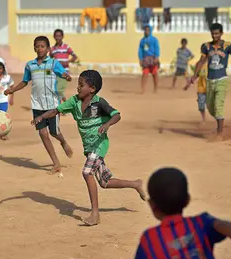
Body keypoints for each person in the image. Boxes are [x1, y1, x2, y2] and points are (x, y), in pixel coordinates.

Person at [31, 70, 147, 226]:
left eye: (81, 85)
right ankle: (136, 184)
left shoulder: (99, 103)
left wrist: (106, 125)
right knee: (105, 182)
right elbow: (56, 111)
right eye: (78, 84)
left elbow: (116, 115)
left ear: (92, 89)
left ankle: (95, 214)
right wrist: (41, 117)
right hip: (89, 148)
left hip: (99, 145)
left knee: (87, 172)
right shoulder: (73, 102)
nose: (77, 87)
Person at [4, 36, 73, 174]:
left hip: (52, 104)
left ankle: (63, 142)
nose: (39, 48)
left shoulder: (53, 63)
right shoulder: (30, 65)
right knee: (42, 133)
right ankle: (56, 163)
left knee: (54, 132)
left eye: (42, 46)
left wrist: (66, 76)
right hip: (37, 104)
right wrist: (12, 90)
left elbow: (63, 73)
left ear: (48, 49)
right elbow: (25, 81)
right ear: (34, 48)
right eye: (37, 46)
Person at [189, 23, 231, 136]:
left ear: (221, 33)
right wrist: (195, 75)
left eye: (217, 33)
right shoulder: (206, 46)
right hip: (210, 81)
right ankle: (220, 126)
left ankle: (220, 133)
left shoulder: (227, 46)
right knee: (210, 107)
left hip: (222, 80)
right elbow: (201, 61)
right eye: (213, 33)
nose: (214, 36)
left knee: (218, 105)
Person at [50, 29, 78, 103]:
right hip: (55, 72)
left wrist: (67, 62)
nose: (57, 38)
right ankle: (64, 105)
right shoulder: (52, 49)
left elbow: (75, 56)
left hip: (64, 72)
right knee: (55, 89)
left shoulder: (66, 47)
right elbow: (49, 60)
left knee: (59, 90)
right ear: (54, 37)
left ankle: (60, 107)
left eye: (59, 36)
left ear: (62, 36)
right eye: (56, 36)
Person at [138, 25, 160, 94]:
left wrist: (156, 57)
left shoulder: (154, 39)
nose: (146, 31)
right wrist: (141, 59)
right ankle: (143, 89)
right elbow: (140, 50)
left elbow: (157, 48)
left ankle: (155, 89)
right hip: (145, 59)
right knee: (144, 74)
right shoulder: (142, 41)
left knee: (155, 74)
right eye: (145, 30)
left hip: (153, 58)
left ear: (150, 31)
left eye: (148, 30)